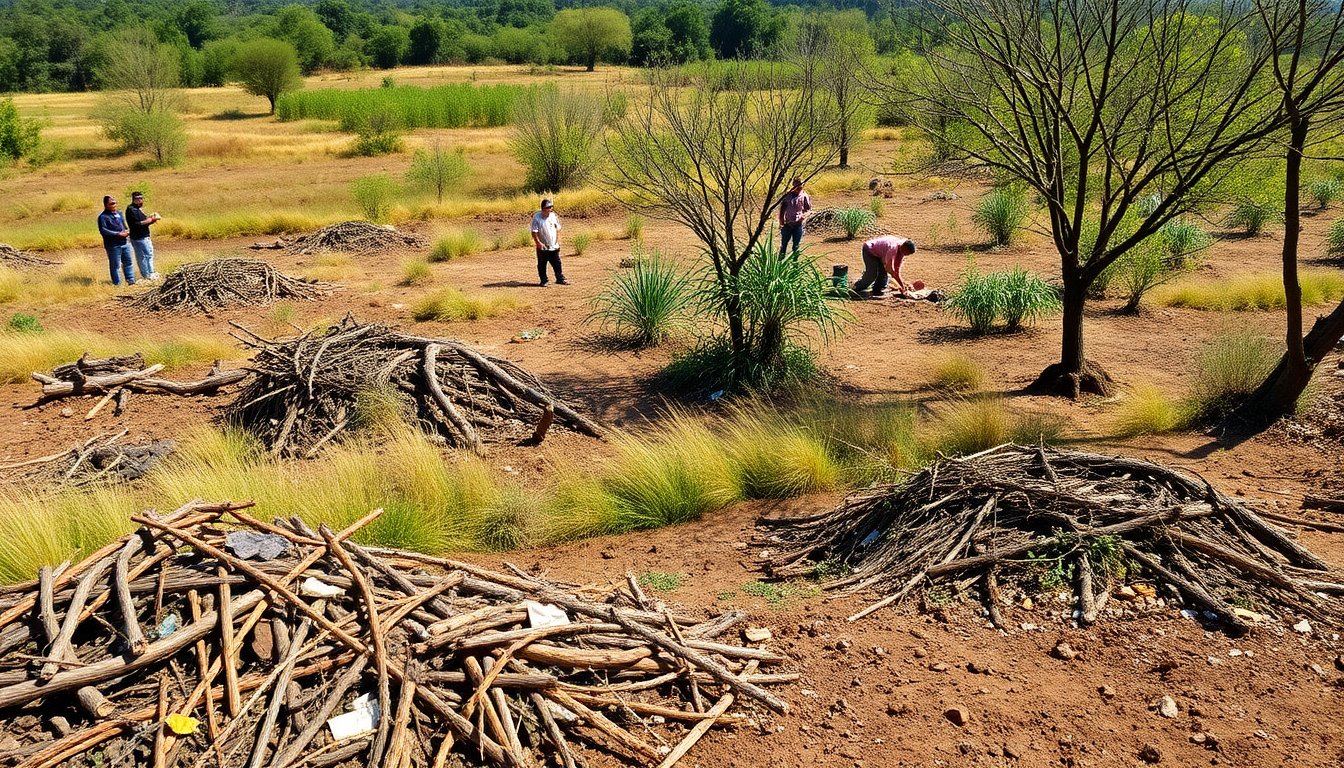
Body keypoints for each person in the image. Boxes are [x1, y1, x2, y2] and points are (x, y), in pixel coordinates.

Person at [97, 195, 135, 287]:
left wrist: (127, 230)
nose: (114, 205)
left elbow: (124, 224)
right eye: (111, 203)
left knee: (128, 262)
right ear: (106, 205)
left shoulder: (119, 213)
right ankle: (117, 284)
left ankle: (130, 280)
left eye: (115, 203)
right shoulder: (103, 217)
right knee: (115, 265)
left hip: (125, 242)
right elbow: (103, 230)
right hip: (113, 245)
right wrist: (118, 234)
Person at [530, 198, 567, 286]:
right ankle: (544, 280)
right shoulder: (537, 217)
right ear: (543, 208)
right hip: (543, 245)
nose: (550, 209)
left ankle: (560, 278)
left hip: (554, 245)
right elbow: (534, 232)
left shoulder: (553, 216)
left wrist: (558, 240)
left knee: (557, 262)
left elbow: (557, 228)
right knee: (542, 263)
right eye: (548, 207)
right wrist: (538, 243)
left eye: (551, 207)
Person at [126, 191, 162, 281]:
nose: (140, 200)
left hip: (145, 235)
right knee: (142, 256)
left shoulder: (138, 209)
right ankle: (146, 275)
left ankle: (151, 272)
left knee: (149, 254)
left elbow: (145, 223)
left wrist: (152, 220)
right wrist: (150, 220)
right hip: (138, 237)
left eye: (141, 198)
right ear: (134, 199)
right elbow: (137, 224)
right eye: (138, 199)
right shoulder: (131, 209)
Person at [778, 177, 812, 257]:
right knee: (783, 245)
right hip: (787, 224)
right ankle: (780, 262)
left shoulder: (804, 196)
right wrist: (781, 222)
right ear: (793, 184)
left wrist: (804, 216)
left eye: (800, 185)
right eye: (797, 185)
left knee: (796, 246)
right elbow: (782, 209)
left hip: (798, 225)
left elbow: (809, 209)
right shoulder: (787, 195)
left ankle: (795, 263)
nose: (799, 187)